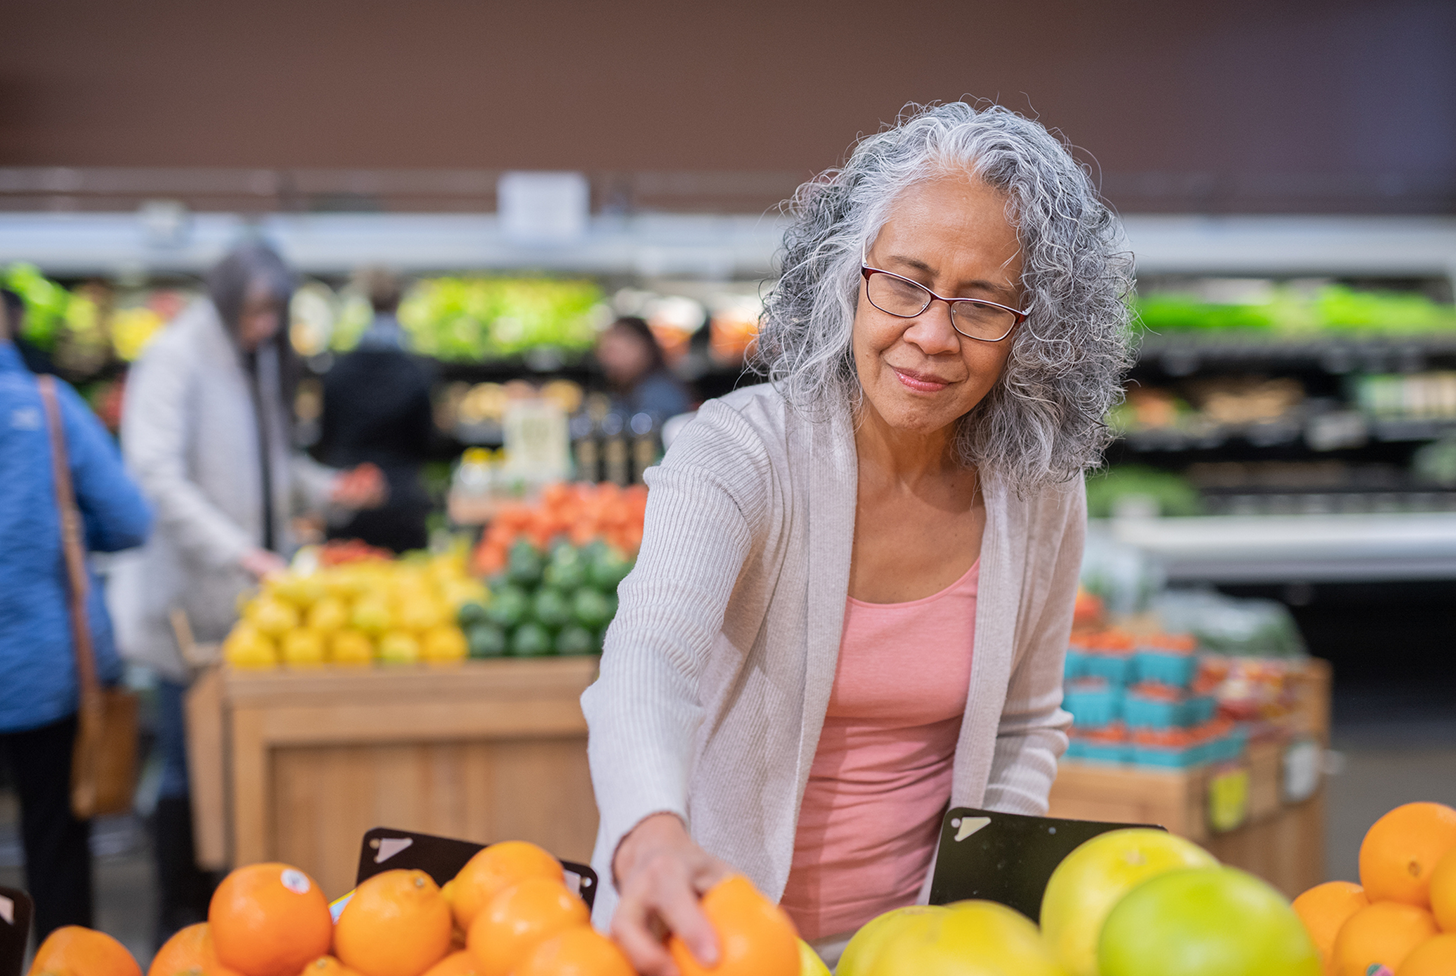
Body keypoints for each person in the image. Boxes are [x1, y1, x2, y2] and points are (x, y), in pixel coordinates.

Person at [582, 101, 1133, 973]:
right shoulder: (742, 452)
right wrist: (648, 837)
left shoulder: (1040, 486)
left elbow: (1028, 722)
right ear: (849, 273)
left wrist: (971, 914)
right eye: (905, 283)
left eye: (983, 304)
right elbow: (649, 657)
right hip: (717, 938)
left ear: (1039, 333)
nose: (931, 335)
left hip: (924, 948)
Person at [113, 241, 382, 945]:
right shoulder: (174, 357)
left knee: (227, 765)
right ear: (230, 297)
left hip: (248, 597)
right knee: (186, 759)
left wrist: (330, 488)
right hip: (189, 598)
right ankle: (179, 918)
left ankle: (235, 910)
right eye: (258, 310)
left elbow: (272, 464)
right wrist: (240, 552)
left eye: (275, 312)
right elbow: (155, 477)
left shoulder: (252, 360)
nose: (267, 326)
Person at [0, 290, 152, 942]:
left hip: (40, 665)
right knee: (55, 848)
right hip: (46, 674)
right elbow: (132, 520)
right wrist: (69, 529)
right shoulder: (48, 408)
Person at [316, 267, 436, 554]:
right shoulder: (417, 372)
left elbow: (325, 436)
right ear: (399, 304)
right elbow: (427, 441)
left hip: (349, 500)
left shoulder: (338, 371)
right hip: (402, 503)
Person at [596, 316, 691, 421]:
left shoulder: (660, 393)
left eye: (613, 351)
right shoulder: (627, 388)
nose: (606, 359)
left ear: (643, 349)